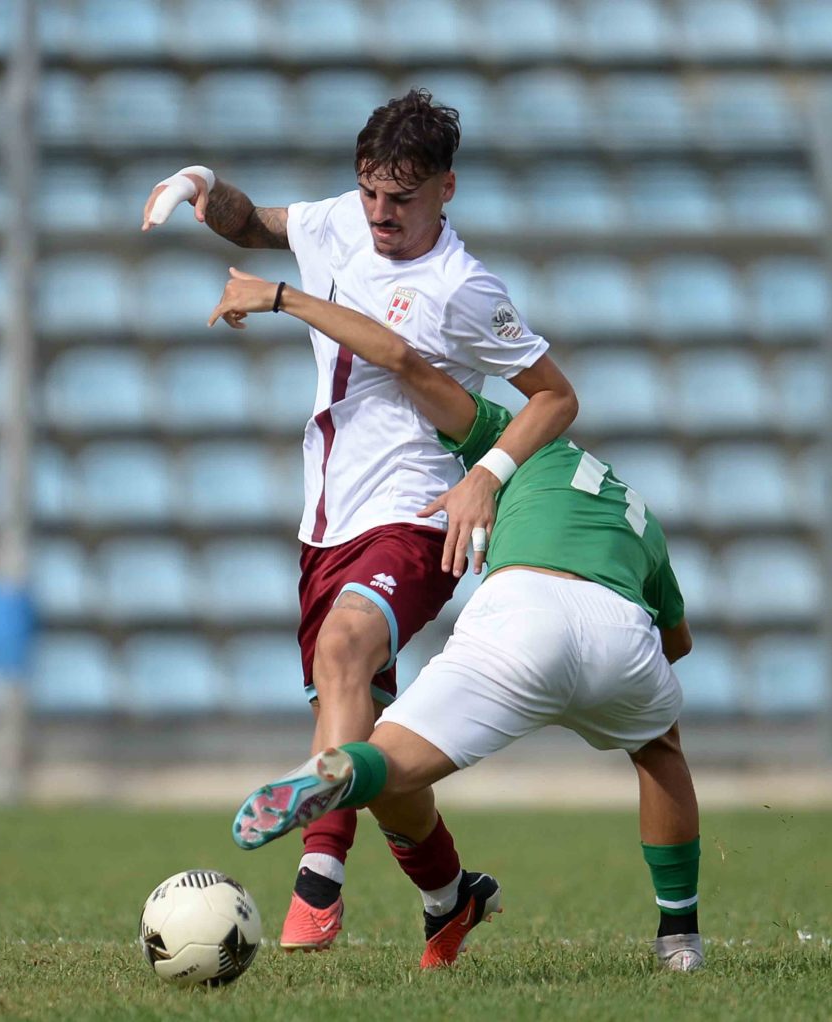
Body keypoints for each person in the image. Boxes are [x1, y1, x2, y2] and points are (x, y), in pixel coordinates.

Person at [142, 90, 579, 952]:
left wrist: (485, 477)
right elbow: (253, 224)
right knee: (373, 756)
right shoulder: (344, 220)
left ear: (446, 189)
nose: (381, 213)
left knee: (344, 652)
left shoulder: (461, 287)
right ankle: (452, 895)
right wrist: (202, 183)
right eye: (371, 191)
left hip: (415, 517)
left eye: (402, 198)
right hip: (326, 524)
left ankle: (317, 888)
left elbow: (555, 398)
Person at [209, 269, 704, 973]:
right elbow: (676, 641)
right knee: (660, 749)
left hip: (520, 616)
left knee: (387, 766)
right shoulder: (640, 516)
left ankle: (342, 774)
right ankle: (679, 939)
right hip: (620, 628)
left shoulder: (508, 444)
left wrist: (285, 297)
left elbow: (403, 361)